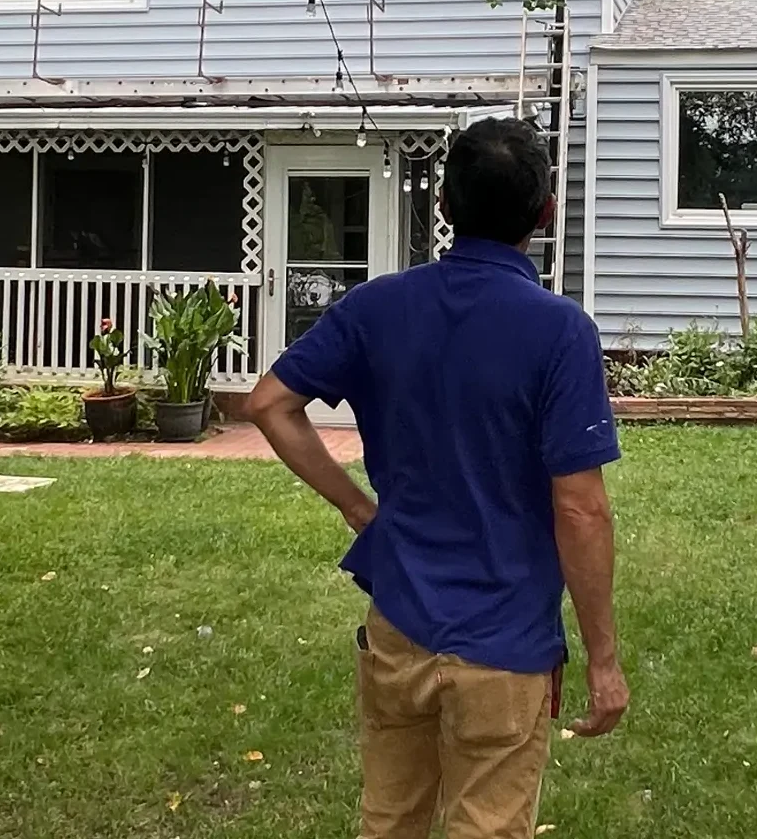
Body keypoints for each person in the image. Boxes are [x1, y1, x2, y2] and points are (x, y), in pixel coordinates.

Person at [245, 116, 628, 839]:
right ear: (545, 214)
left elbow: (268, 403)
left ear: (444, 206)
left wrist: (361, 509)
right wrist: (603, 659)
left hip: (399, 624)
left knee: (388, 821)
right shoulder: (559, 331)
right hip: (507, 645)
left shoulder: (377, 307)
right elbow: (580, 510)